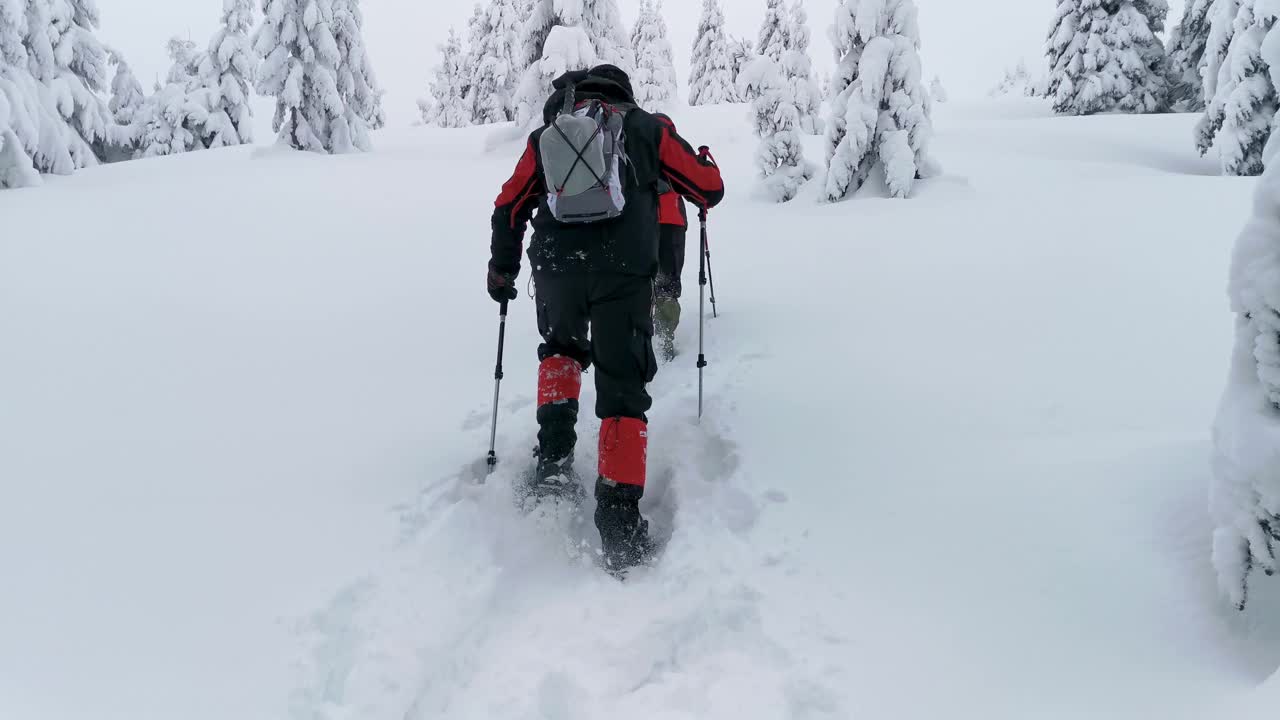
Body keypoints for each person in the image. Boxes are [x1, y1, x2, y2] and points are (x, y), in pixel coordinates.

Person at [486, 65, 724, 572]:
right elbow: (707, 189)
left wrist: (501, 271)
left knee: (561, 352)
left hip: (555, 268)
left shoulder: (549, 134)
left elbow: (509, 204)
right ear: (625, 92)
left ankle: (552, 461)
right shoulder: (645, 128)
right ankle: (618, 521)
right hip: (623, 274)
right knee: (621, 386)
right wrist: (703, 159)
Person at [652, 113, 689, 362]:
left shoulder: (629, 148)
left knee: (641, 281)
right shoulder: (672, 149)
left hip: (638, 224)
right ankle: (663, 339)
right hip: (672, 221)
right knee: (667, 283)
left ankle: (641, 339)